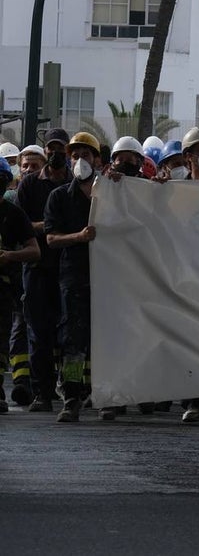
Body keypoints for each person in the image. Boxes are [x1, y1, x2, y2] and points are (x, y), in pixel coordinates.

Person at [43, 132, 102, 422]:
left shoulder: (112, 193)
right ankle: (71, 396)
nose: (80, 160)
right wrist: (79, 237)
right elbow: (51, 239)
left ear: (97, 159)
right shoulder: (59, 197)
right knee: (73, 340)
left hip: (110, 277)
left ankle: (108, 396)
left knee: (109, 336)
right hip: (75, 277)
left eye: (86, 155)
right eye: (75, 155)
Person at [15, 128, 71, 412]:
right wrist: (52, 227)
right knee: (38, 333)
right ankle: (42, 393)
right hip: (37, 268)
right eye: (51, 148)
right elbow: (20, 225)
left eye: (60, 148)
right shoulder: (29, 186)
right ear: (45, 150)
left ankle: (73, 391)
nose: (55, 153)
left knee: (70, 335)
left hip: (69, 269)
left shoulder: (78, 183)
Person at [0, 160, 40, 413]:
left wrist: (9, 256)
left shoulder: (13, 214)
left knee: (2, 340)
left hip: (3, 288)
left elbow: (34, 250)